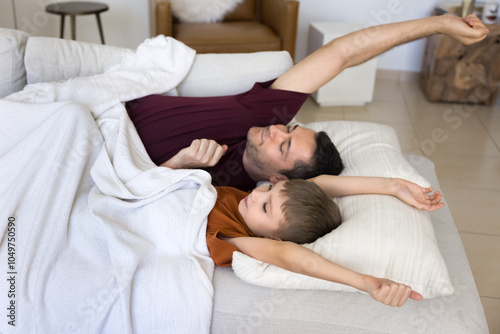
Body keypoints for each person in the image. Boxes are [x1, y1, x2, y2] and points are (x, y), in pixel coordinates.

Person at [127, 14, 489, 191]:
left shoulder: (235, 194)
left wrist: (178, 164)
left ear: (275, 178)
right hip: (115, 109)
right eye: (289, 129)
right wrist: (440, 24)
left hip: (107, 155)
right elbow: (345, 53)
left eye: (282, 145)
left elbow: (137, 196)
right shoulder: (262, 113)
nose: (275, 130)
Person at [207, 174, 445, 307]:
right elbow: (319, 185)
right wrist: (392, 185)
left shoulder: (234, 235)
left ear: (274, 238)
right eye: (269, 188)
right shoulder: (250, 206)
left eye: (266, 207)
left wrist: (363, 282)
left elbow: (289, 257)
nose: (257, 194)